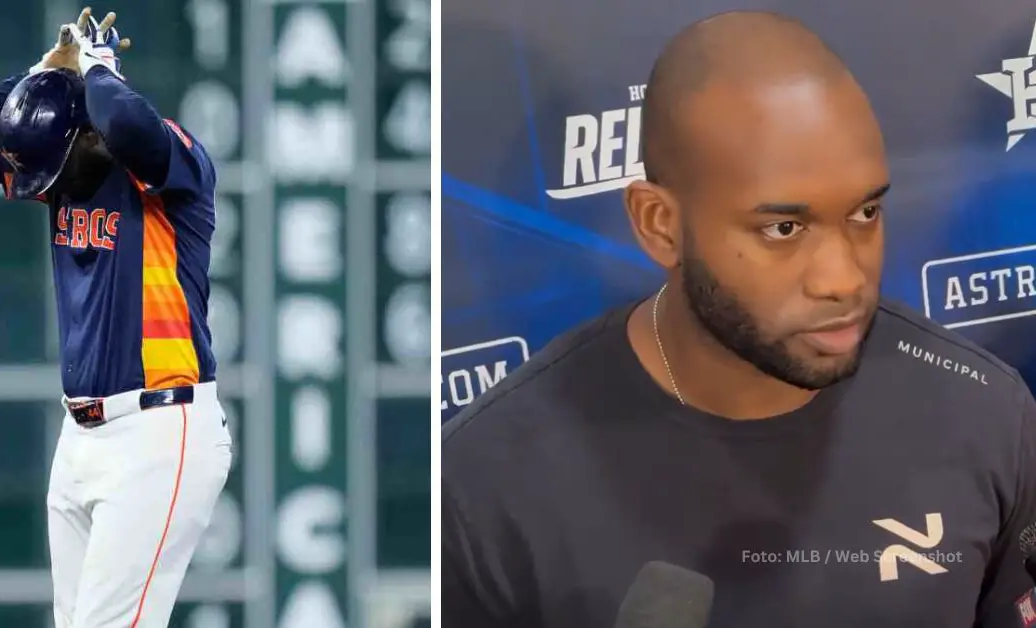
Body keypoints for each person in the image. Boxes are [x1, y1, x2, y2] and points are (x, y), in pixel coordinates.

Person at [442, 11, 1036, 628]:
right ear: (659, 225)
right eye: (783, 228)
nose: (842, 279)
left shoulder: (985, 417)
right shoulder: (488, 489)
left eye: (864, 214)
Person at [0, 9, 231, 627]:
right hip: (82, 438)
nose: (44, 180)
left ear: (87, 131)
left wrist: (96, 68)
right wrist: (47, 73)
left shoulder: (172, 169)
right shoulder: (63, 166)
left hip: (159, 430)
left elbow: (124, 120)